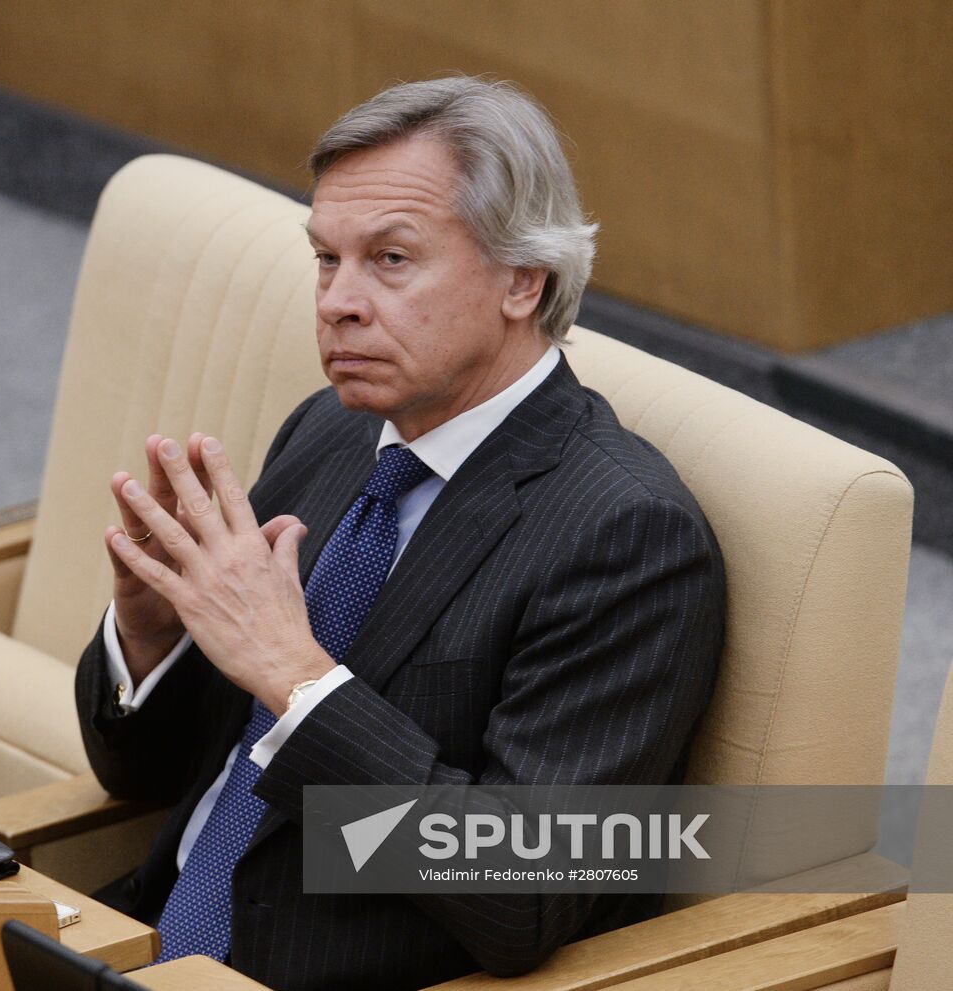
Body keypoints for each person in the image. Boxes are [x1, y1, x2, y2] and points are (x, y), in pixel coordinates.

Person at [74, 76, 725, 991]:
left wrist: (296, 676)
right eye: (325, 260)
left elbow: (522, 898)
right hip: (139, 934)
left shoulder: (626, 537)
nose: (337, 301)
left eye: (389, 260)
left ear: (521, 279)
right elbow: (145, 776)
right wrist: (153, 639)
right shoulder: (334, 431)